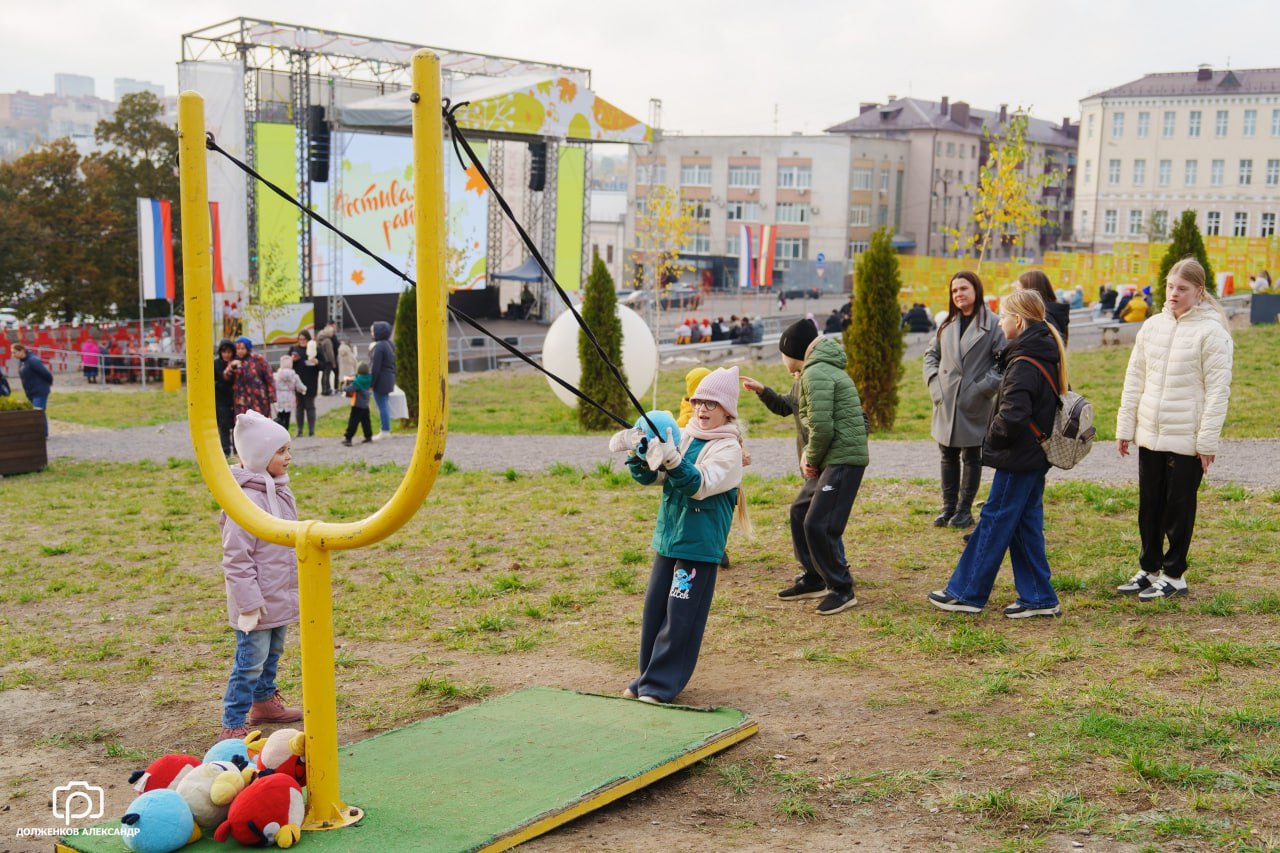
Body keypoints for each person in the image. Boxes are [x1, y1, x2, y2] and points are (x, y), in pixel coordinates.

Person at [928, 288, 1066, 618]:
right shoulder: (1041, 352)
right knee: (1024, 524)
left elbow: (1013, 415)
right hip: (1033, 455)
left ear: (1018, 321)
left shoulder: (1024, 362)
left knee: (994, 520)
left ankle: (966, 592)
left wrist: (990, 438)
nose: (1000, 322)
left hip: (1019, 457)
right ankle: (1039, 597)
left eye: (1003, 316)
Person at [612, 367, 745, 703]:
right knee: (655, 610)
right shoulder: (685, 436)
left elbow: (697, 485)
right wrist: (638, 456)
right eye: (697, 401)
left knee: (681, 616)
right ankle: (647, 676)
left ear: (727, 410)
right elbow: (657, 478)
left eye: (711, 404)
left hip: (698, 546)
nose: (701, 409)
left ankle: (661, 684)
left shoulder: (728, 449)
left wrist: (671, 458)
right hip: (670, 538)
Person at [1115, 257, 1233, 601]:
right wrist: (1126, 427)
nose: (1173, 293)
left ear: (1199, 291)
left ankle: (1174, 574)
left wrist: (1206, 442)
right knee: (1149, 505)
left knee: (1177, 508)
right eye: (1170, 286)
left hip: (1187, 437)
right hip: (1150, 432)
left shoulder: (1212, 332)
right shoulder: (1152, 326)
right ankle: (1149, 568)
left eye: (1182, 288)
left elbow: (1218, 391)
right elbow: (1134, 378)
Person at [753, 319, 868, 615]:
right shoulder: (813, 372)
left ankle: (842, 588)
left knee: (818, 523)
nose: (782, 360)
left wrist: (810, 458)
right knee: (800, 512)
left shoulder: (815, 373)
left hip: (842, 459)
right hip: (830, 457)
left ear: (793, 351)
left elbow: (822, 427)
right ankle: (814, 577)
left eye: (783, 354)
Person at [218, 411, 304, 740]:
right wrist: (249, 604)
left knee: (273, 653)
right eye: (280, 451)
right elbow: (236, 559)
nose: (288, 457)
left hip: (279, 593)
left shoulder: (279, 491)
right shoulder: (245, 501)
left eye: (288, 449)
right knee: (250, 660)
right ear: (258, 456)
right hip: (256, 602)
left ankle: (264, 702)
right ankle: (232, 720)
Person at [922, 272, 1005, 529]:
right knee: (947, 454)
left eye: (963, 288)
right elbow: (931, 355)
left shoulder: (994, 324)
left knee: (972, 455)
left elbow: (1003, 364)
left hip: (974, 402)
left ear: (976, 290)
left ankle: (964, 510)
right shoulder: (947, 324)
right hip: (945, 401)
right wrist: (935, 384)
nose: (958, 294)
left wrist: (981, 389)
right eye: (954, 290)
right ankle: (948, 508)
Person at [226, 336, 275, 418]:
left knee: (260, 420)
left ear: (248, 348)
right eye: (238, 349)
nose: (240, 351)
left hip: (258, 398)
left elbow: (269, 377)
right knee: (244, 421)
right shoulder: (234, 361)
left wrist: (271, 394)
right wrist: (232, 368)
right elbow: (226, 377)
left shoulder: (258, 359)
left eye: (242, 348)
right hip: (241, 400)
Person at [1017, 270, 1070, 345]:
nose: (1016, 295)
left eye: (1019, 290)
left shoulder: (1042, 317)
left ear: (1030, 292)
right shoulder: (1054, 312)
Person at [11, 343, 53, 438]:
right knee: (36, 412)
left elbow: (46, 373)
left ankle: (43, 434)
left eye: (14, 352)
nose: (13, 355)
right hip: (31, 391)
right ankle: (39, 432)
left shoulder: (33, 360)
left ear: (22, 351)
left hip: (39, 390)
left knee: (38, 412)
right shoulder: (22, 361)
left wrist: (48, 383)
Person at [288, 330, 320, 438]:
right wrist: (292, 360)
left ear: (308, 339)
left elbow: (324, 365)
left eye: (304, 339)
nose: (302, 341)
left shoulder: (315, 349)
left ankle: (311, 431)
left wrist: (317, 362)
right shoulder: (294, 349)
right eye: (300, 339)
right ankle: (300, 431)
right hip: (297, 383)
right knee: (299, 407)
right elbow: (285, 364)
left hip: (311, 382)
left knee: (310, 406)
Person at [369, 320, 396, 440]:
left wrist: (371, 383)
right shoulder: (389, 344)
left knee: (382, 406)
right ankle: (385, 429)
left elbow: (375, 367)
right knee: (384, 404)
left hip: (381, 380)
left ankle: (385, 430)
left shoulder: (379, 346)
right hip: (388, 378)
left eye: (373, 331)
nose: (371, 333)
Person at [340, 361, 374, 446]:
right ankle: (368, 436)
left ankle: (348, 438)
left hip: (357, 405)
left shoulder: (358, 381)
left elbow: (348, 389)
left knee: (353, 422)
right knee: (366, 421)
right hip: (365, 404)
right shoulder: (369, 378)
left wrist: (344, 383)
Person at [273, 354, 306, 432]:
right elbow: (300, 387)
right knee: (287, 416)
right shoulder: (294, 375)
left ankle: (279, 431)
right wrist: (304, 389)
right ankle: (286, 431)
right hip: (290, 397)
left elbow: (272, 385)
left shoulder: (277, 375)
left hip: (279, 397)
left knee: (279, 415)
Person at [214, 339, 236, 456]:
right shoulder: (216, 364)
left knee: (237, 427)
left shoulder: (236, 363)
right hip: (221, 400)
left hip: (235, 399)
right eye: (224, 352)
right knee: (224, 427)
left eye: (229, 352)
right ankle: (225, 453)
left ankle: (237, 451)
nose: (226, 355)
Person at [316, 321, 337, 395]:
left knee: (323, 375)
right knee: (327, 375)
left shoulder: (320, 337)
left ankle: (323, 389)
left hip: (321, 358)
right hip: (327, 360)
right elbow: (330, 353)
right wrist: (333, 362)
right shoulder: (328, 341)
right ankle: (326, 390)